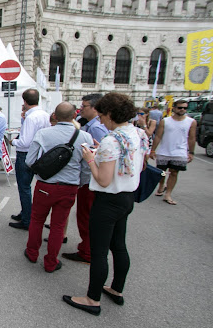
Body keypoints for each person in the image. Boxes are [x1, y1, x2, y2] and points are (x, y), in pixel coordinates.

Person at [63, 93, 149, 316]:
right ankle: (116, 289)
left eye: (101, 115)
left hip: (108, 199)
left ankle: (92, 299)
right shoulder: (138, 133)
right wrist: (103, 153)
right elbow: (135, 165)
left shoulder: (112, 141)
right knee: (119, 246)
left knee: (99, 252)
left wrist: (91, 158)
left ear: (110, 114)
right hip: (127, 196)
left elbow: (103, 179)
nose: (100, 120)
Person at [24, 102, 93, 273]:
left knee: (37, 220)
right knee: (58, 225)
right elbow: (86, 168)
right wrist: (80, 182)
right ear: (74, 116)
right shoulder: (84, 137)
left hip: (45, 185)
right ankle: (51, 262)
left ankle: (32, 253)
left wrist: (43, 171)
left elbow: (29, 160)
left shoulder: (44, 134)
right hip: (69, 186)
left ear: (54, 115)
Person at [62, 93, 109, 264]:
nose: (81, 109)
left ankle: (87, 251)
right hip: (90, 178)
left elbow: (101, 155)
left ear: (95, 108)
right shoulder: (91, 125)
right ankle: (86, 248)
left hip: (90, 179)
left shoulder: (95, 128)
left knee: (86, 215)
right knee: (85, 215)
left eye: (85, 106)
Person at [9, 89, 50, 230]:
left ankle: (27, 219)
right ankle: (26, 213)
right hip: (39, 154)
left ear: (25, 101)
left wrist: (14, 142)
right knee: (29, 187)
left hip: (26, 155)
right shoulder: (44, 115)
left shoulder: (31, 118)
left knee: (24, 188)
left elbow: (25, 142)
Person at [150, 99, 197, 205]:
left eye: (185, 108)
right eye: (180, 107)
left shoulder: (191, 122)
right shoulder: (165, 121)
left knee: (174, 172)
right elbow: (158, 136)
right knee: (161, 172)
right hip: (164, 151)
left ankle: (168, 194)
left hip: (180, 152)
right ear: (174, 108)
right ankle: (161, 186)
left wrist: (191, 152)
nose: (182, 110)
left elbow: (192, 138)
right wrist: (153, 150)